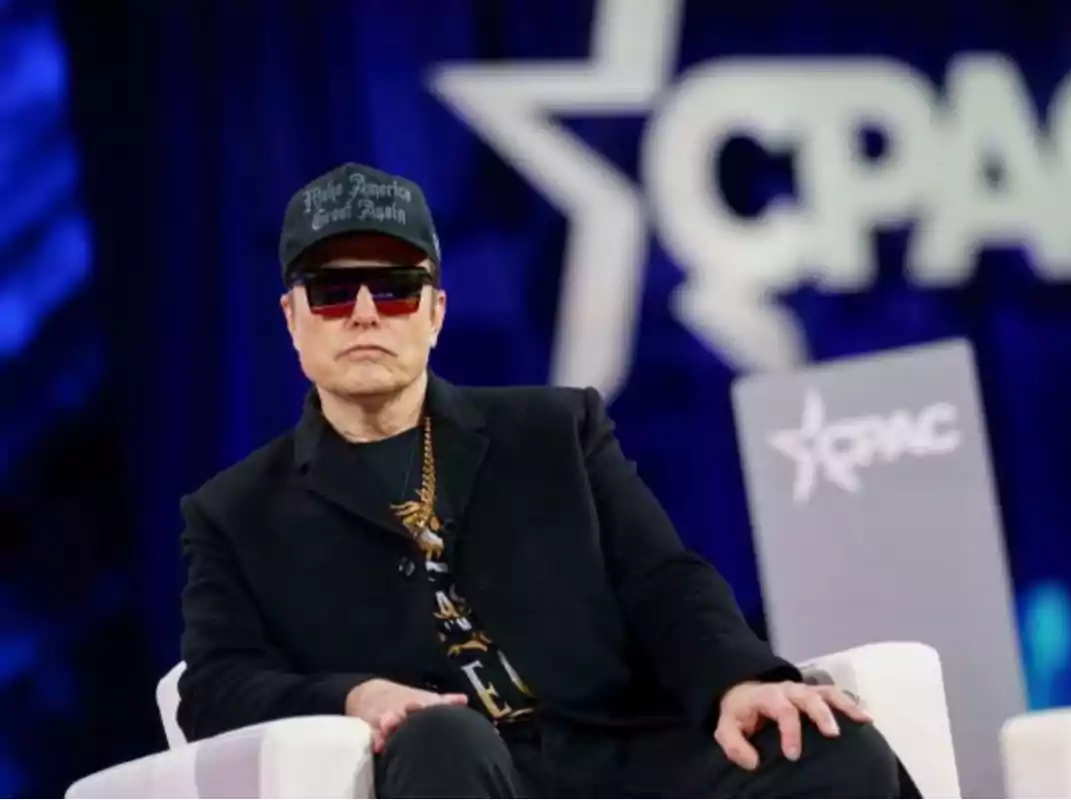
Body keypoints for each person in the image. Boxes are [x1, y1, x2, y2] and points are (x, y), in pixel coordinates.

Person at [177, 162, 919, 798]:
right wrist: (353, 697)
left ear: (435, 313)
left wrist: (738, 680)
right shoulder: (234, 513)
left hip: (627, 755)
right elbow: (213, 689)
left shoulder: (557, 430)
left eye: (396, 289)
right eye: (333, 294)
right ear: (291, 318)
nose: (365, 314)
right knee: (442, 741)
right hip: (458, 773)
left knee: (829, 744)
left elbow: (662, 580)